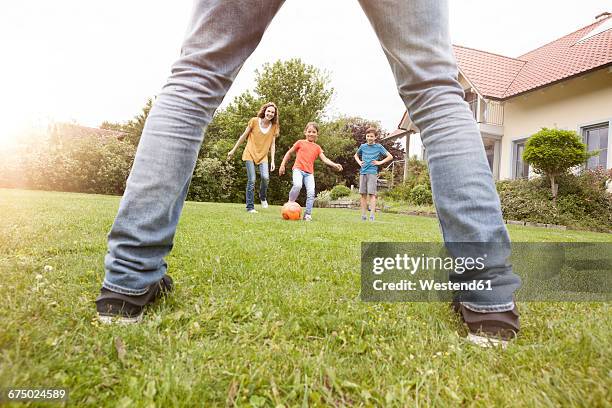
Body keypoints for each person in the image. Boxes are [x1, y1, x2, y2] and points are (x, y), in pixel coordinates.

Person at [96, 0, 521, 346]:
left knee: (197, 75)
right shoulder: (292, 138)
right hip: (288, 169)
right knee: (433, 87)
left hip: (307, 173)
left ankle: (128, 280)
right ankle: (488, 295)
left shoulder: (309, 141)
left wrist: (330, 163)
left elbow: (316, 156)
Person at [278, 122, 343, 221]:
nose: (311, 134)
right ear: (305, 132)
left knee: (311, 192)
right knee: (297, 185)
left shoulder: (317, 147)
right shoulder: (300, 142)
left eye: (314, 132)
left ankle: (307, 214)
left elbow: (324, 159)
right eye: (309, 131)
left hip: (309, 173)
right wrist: (282, 165)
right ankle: (290, 203)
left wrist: (335, 164)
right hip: (298, 169)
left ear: (317, 134)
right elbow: (289, 153)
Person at [227, 102, 279, 213]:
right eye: (268, 111)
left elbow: (272, 144)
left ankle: (262, 196)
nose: (270, 113)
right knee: (252, 180)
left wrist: (273, 160)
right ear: (264, 111)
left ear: (274, 115)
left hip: (263, 155)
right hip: (250, 153)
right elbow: (243, 136)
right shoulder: (254, 121)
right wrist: (233, 150)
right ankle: (250, 207)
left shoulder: (274, 127)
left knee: (265, 177)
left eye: (272, 112)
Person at [354, 127, 393, 222]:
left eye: (371, 136)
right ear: (366, 136)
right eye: (368, 136)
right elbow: (355, 155)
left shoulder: (379, 147)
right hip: (363, 172)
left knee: (372, 194)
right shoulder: (362, 146)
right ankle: (363, 216)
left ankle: (372, 216)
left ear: (375, 137)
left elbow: (390, 156)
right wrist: (359, 162)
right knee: (363, 194)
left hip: (372, 173)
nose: (369, 138)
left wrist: (379, 163)